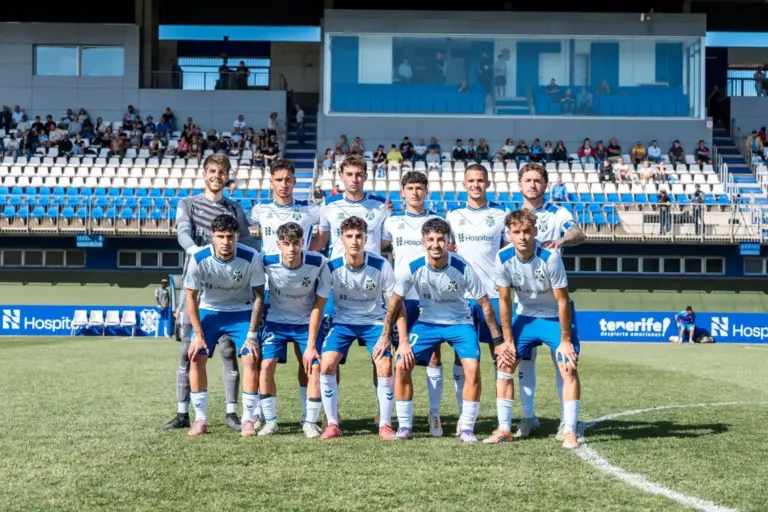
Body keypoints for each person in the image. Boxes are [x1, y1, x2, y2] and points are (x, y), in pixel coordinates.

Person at [381, 218, 500, 444]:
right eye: (431, 240)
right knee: (402, 363)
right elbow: (395, 303)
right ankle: (405, 426)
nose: (436, 245)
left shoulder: (463, 267)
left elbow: (485, 304)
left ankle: (466, 427)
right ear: (423, 242)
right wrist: (390, 338)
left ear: (448, 242)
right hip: (427, 322)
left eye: (441, 240)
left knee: (472, 368)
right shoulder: (411, 268)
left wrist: (499, 341)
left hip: (460, 323)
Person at [161, 153, 257, 432]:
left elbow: (248, 244)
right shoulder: (188, 203)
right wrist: (201, 253)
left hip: (229, 288)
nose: (217, 175)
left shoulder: (235, 209)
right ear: (204, 174)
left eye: (222, 171)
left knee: (229, 349)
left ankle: (231, 414)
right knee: (188, 349)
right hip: (196, 285)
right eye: (212, 171)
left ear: (228, 176)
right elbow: (182, 234)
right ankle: (183, 414)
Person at [307, 216, 407, 441]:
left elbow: (395, 304)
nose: (354, 241)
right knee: (327, 364)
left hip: (374, 323)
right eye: (349, 236)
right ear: (341, 239)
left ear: (366, 238)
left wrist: (401, 341)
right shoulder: (331, 267)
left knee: (384, 365)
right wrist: (311, 345)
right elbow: (318, 307)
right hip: (343, 322)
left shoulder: (381, 265)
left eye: (359, 236)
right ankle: (332, 423)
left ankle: (385, 424)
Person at [311, 155, 392, 419]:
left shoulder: (381, 206)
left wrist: (369, 258)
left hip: (371, 281)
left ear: (366, 176)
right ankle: (333, 412)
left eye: (359, 174)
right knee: (333, 353)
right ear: (341, 176)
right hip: (338, 280)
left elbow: (384, 242)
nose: (354, 179)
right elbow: (322, 238)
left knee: (378, 353)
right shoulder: (330, 204)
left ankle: (382, 411)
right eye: (349, 174)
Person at [494, 209, 581, 449]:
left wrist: (565, 340)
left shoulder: (550, 257)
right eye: (516, 232)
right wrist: (507, 340)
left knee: (568, 365)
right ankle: (504, 428)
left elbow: (563, 300)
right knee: (504, 362)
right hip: (526, 317)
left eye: (527, 231)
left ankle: (570, 430)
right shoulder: (502, 258)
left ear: (535, 231)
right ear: (509, 234)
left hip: (554, 317)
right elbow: (504, 300)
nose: (522, 237)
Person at [516, 162, 586, 441]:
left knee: (566, 364)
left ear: (545, 185)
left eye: (537, 180)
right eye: (527, 180)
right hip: (524, 306)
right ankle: (528, 417)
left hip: (556, 307)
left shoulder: (558, 213)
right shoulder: (512, 217)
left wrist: (562, 240)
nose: (532, 184)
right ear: (519, 185)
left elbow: (579, 233)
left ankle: (568, 424)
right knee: (522, 363)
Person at [249, 159, 321, 425]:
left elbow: (324, 237)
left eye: (288, 179)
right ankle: (258, 410)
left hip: (301, 288)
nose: (284, 184)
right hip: (267, 290)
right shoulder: (259, 210)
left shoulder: (311, 211)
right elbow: (245, 237)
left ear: (294, 181)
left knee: (306, 357)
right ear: (271, 182)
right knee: (260, 356)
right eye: (278, 179)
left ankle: (308, 415)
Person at [183, 215, 266, 436]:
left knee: (251, 356)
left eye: (230, 236)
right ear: (212, 237)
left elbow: (259, 297)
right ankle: (200, 419)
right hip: (210, 311)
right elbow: (191, 298)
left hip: (242, 311)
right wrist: (198, 335)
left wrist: (251, 334)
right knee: (195, 354)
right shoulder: (199, 258)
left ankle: (248, 419)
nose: (225, 242)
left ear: (237, 237)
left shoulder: (251, 257)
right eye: (220, 236)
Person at [446, 164, 507, 433]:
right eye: (471, 180)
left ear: (488, 183)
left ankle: (502, 419)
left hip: (493, 295)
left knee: (500, 356)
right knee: (463, 357)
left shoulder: (501, 214)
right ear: (464, 184)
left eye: (480, 180)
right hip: (461, 298)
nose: (476, 185)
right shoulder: (453, 215)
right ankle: (464, 415)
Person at [382, 171, 444, 436]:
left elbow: (448, 251)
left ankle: (434, 414)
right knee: (398, 356)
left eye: (420, 187)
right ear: (402, 192)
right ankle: (397, 417)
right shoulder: (392, 220)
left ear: (426, 191)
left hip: (430, 296)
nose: (415, 192)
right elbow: (378, 246)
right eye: (410, 187)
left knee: (433, 356)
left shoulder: (439, 221)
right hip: (401, 298)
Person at [259, 223, 330, 437]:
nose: (292, 248)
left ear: (303, 243)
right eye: (287, 243)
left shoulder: (319, 262)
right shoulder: (265, 262)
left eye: (296, 243)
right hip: (276, 322)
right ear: (278, 244)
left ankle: (309, 421)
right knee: (266, 366)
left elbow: (319, 304)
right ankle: (270, 421)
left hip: (305, 322)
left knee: (313, 367)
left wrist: (310, 345)